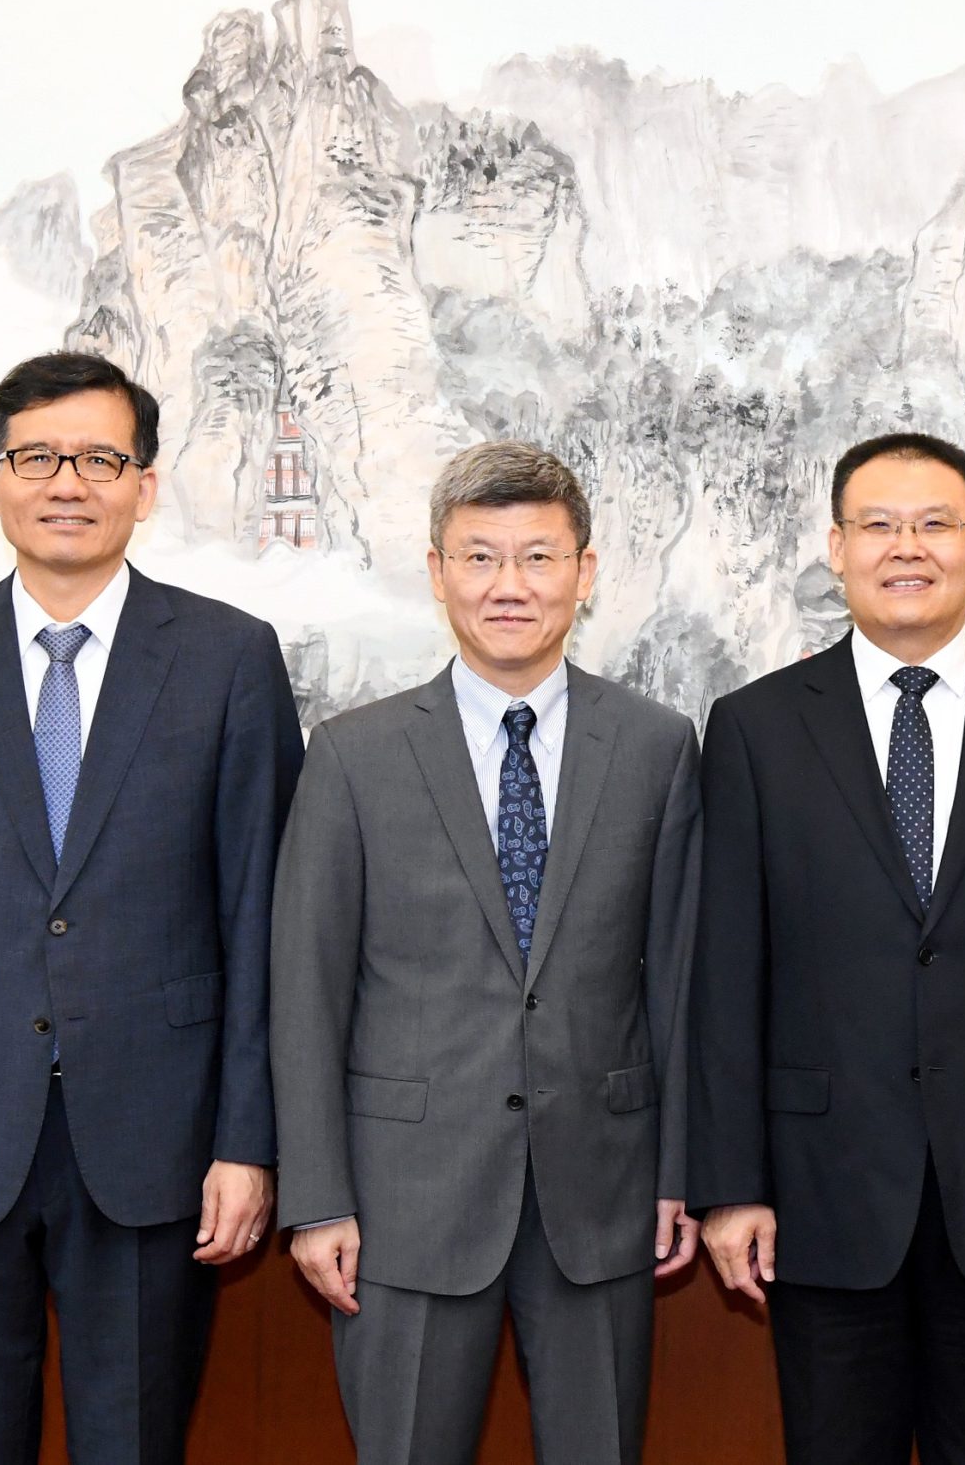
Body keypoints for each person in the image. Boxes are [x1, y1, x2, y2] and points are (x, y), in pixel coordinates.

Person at [0, 352, 304, 1464]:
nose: (68, 483)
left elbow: (263, 922)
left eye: (100, 458)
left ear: (145, 484)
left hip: (158, 1140)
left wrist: (247, 1141)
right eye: (38, 457)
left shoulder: (230, 658)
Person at [689, 432, 965, 1465]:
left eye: (935, 524)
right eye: (879, 525)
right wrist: (732, 1185)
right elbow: (725, 974)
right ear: (836, 547)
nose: (907, 547)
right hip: (820, 1185)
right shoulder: (753, 728)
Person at [271, 441, 702, 1464]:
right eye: (479, 558)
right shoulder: (353, 754)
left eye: (539, 557)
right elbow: (305, 990)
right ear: (438, 572)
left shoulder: (655, 746)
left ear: (584, 573)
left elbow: (683, 981)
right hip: (403, 1200)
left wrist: (682, 1171)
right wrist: (317, 1197)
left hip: (602, 1193)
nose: (510, 586)